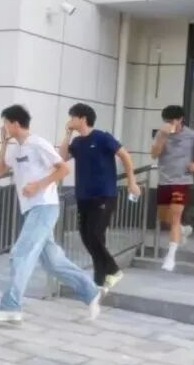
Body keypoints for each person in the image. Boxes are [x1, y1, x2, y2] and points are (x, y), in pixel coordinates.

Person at [0, 104, 102, 324]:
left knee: (21, 253)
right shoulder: (16, 149)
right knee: (53, 263)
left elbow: (64, 169)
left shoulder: (38, 144)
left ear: (15, 123)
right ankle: (91, 291)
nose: (4, 127)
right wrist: (4, 144)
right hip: (31, 210)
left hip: (45, 206)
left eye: (6, 123)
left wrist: (38, 185)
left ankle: (11, 307)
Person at [59, 102, 142, 291]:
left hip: (104, 195)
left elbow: (125, 156)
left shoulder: (103, 138)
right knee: (87, 237)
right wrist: (67, 134)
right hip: (84, 196)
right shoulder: (77, 142)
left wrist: (132, 182)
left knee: (95, 234)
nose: (70, 120)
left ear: (82, 118)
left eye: (73, 117)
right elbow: (61, 158)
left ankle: (113, 270)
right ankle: (100, 280)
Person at [150, 105, 194, 272]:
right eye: (167, 121)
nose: (170, 124)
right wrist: (162, 136)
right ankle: (182, 230)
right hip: (164, 179)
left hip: (182, 180)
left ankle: (171, 256)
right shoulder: (161, 133)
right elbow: (154, 155)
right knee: (164, 216)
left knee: (175, 217)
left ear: (181, 119)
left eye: (173, 121)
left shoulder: (192, 135)